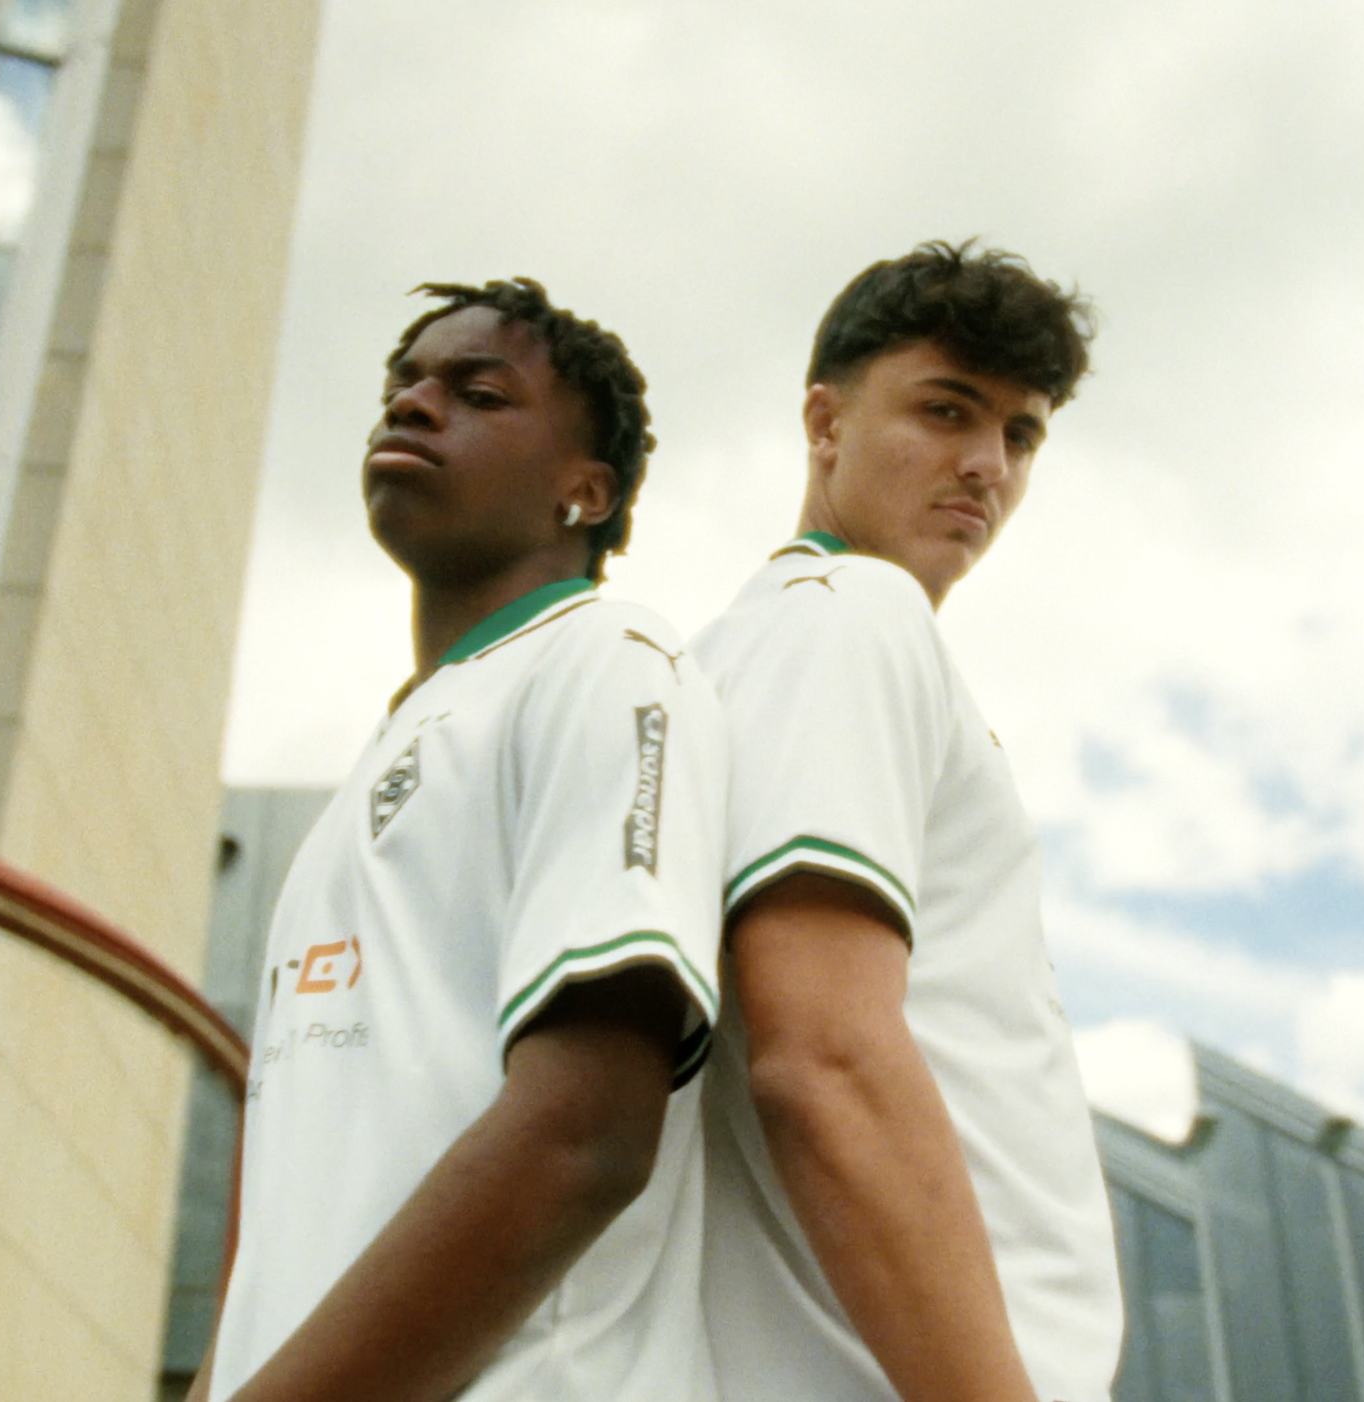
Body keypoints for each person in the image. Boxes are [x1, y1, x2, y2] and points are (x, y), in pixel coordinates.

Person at [193, 279, 725, 1402]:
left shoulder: (607, 661)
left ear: (586, 490)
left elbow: (586, 1132)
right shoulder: (395, 746)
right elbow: (293, 1231)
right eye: (404, 384)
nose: (415, 404)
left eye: (476, 391)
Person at [691, 241, 1123, 1402]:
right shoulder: (848, 617)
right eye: (945, 411)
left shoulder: (755, 649)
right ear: (823, 422)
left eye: (1020, 435)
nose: (986, 465)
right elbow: (822, 1057)